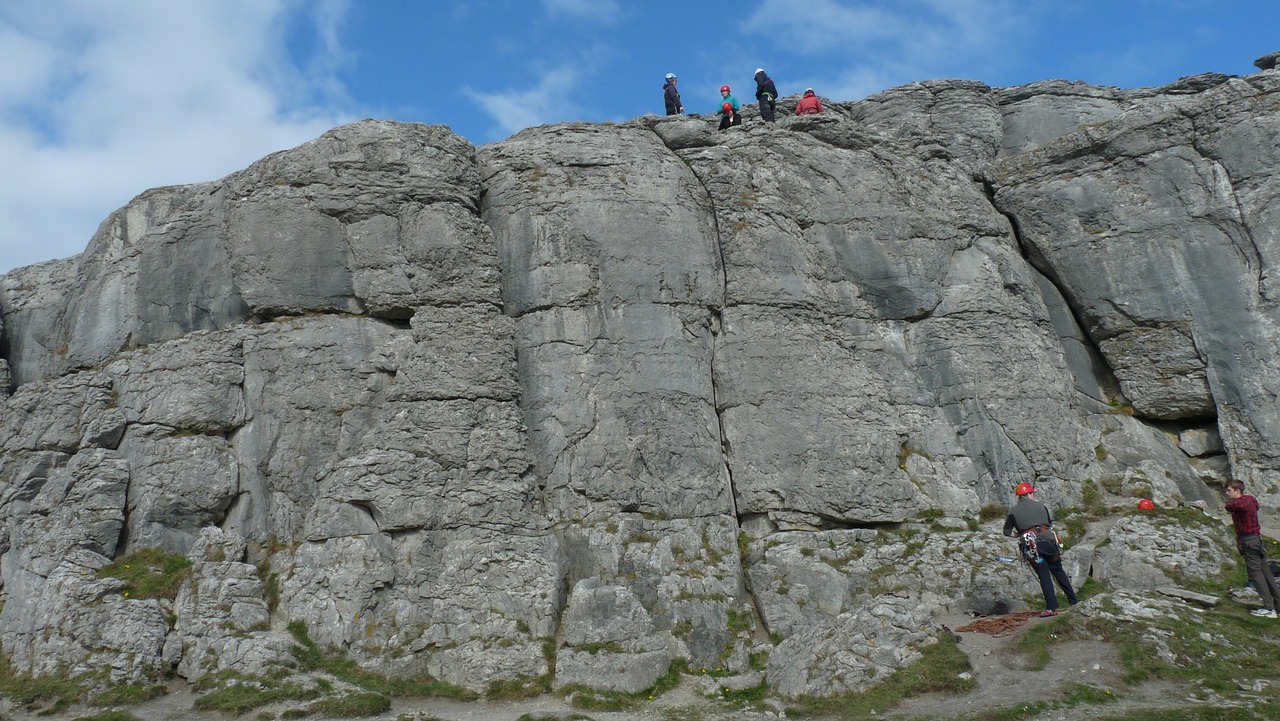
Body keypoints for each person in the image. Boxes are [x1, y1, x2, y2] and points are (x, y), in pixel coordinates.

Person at [1003, 482, 1078, 617]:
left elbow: (1006, 531)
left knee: (1044, 576)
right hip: (1049, 541)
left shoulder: (1013, 511)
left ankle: (1051, 608)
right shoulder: (1041, 506)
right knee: (1058, 571)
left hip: (1031, 546)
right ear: (1030, 494)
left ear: (1019, 497)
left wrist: (1020, 534)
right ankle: (1074, 602)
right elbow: (1048, 524)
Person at [1225, 481, 1280, 618]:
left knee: (1255, 574)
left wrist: (1229, 505)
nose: (1226, 493)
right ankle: (1277, 607)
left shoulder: (1243, 502)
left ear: (1237, 490)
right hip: (1256, 540)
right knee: (1266, 573)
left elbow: (1233, 506)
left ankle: (1268, 608)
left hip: (1249, 540)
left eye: (1229, 490)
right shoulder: (1251, 499)